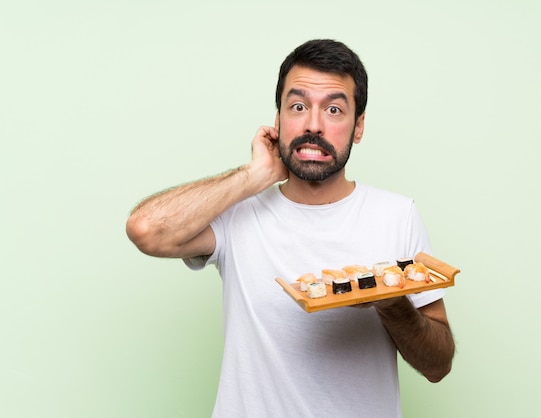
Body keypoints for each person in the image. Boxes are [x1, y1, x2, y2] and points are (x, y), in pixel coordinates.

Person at [126, 39, 455, 417]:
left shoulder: (397, 215)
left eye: (334, 109)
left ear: (358, 126)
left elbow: (438, 365)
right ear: (278, 120)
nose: (313, 125)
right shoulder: (236, 214)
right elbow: (146, 228)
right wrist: (254, 175)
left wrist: (394, 306)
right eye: (298, 106)